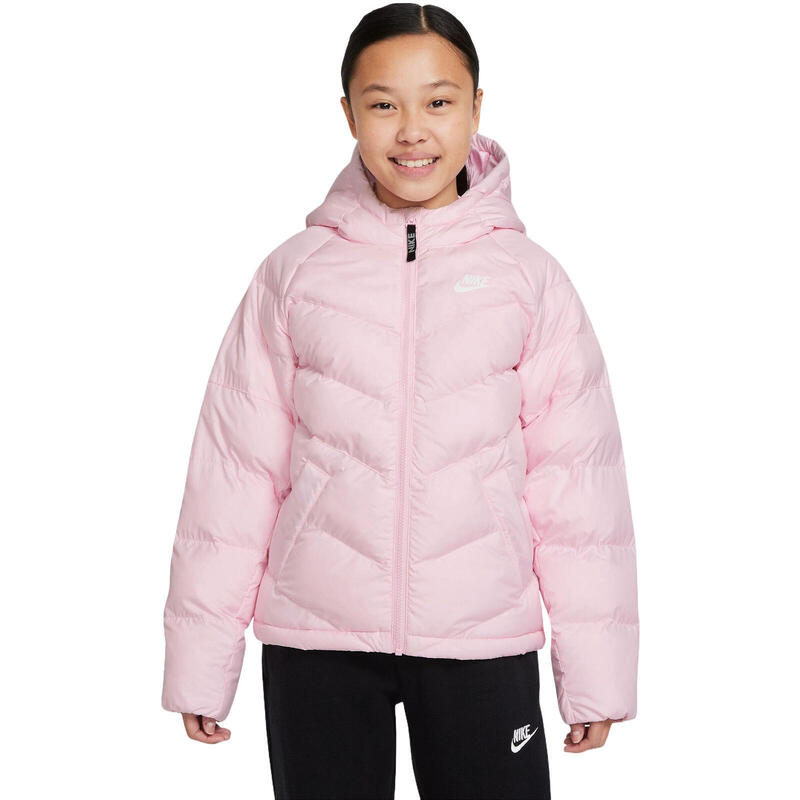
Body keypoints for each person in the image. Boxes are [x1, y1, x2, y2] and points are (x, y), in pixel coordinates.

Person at [161, 3, 639, 798]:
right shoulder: (295, 274)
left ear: (476, 107)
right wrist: (201, 661)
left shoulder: (530, 280)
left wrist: (595, 674)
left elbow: (578, 492)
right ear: (349, 114)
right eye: (383, 104)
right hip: (316, 640)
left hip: (482, 638)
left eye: (438, 101)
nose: (412, 130)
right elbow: (234, 476)